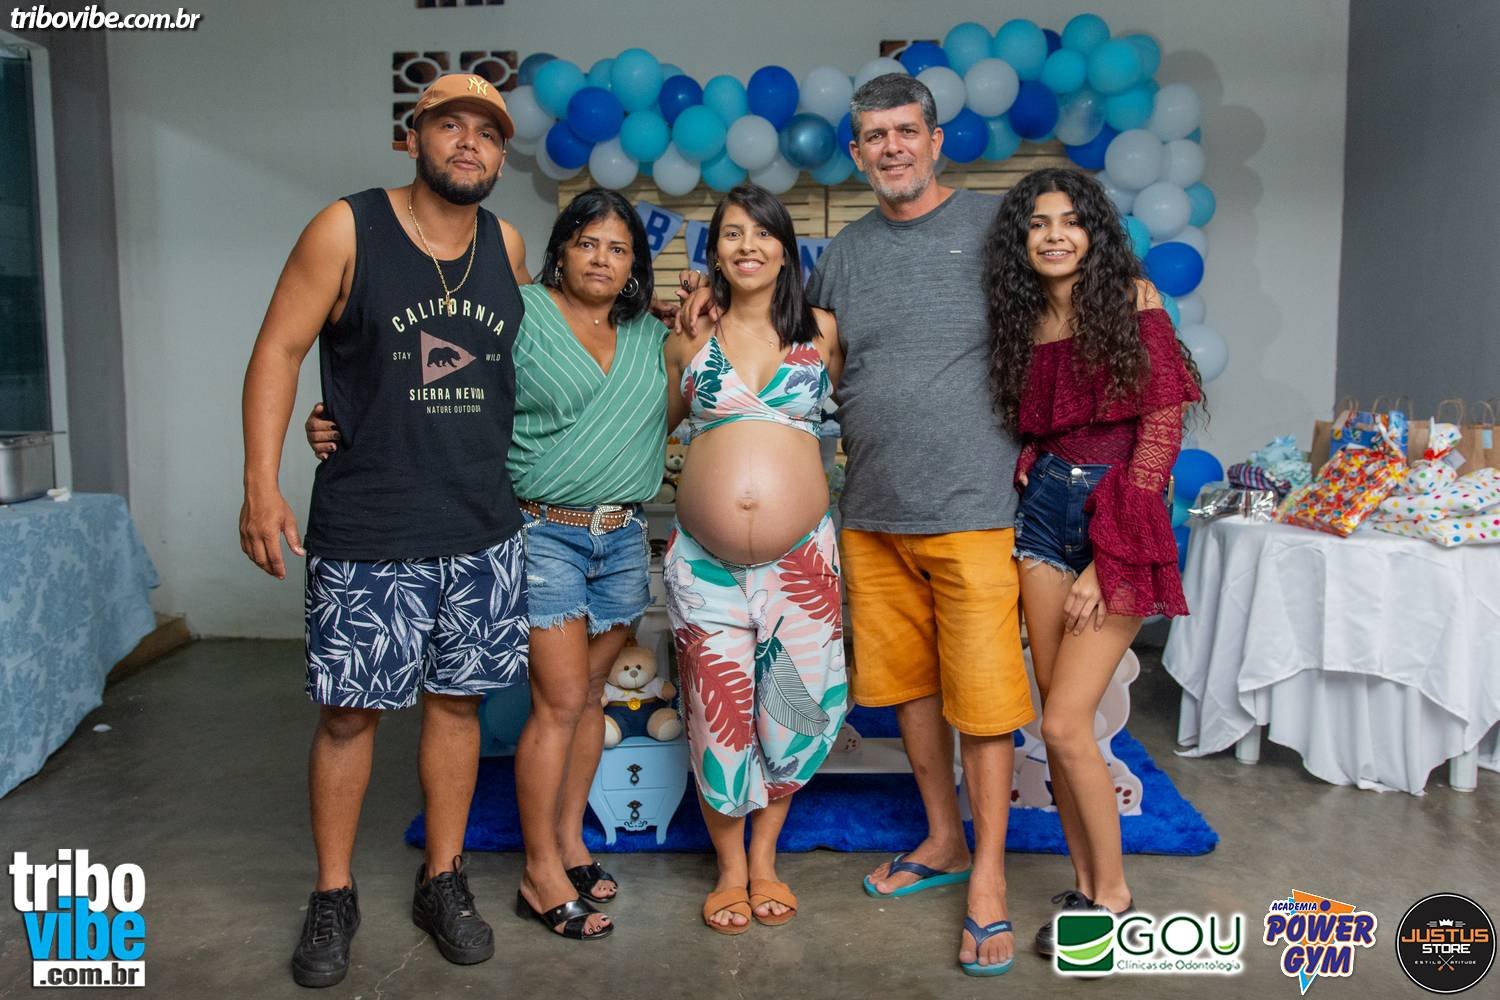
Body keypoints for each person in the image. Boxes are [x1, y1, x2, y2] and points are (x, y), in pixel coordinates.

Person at [678, 74, 1032, 975]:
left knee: (984, 700)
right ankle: (942, 839)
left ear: (937, 139)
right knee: (909, 690)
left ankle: (989, 882)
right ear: (856, 151)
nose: (892, 148)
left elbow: (1073, 284)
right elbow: (784, 337)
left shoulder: (995, 224)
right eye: (875, 136)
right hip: (872, 513)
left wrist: (1134, 298)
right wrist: (693, 300)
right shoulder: (842, 258)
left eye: (907, 131)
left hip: (972, 506)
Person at [308, 187, 668, 942]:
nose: (601, 259)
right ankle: (540, 873)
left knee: (589, 697)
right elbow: (436, 371)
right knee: (560, 699)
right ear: (559, 250)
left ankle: (569, 843)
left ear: (637, 263)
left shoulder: (651, 332)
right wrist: (343, 417)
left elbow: (674, 400)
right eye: (587, 243)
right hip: (543, 530)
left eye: (618, 248)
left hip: (622, 539)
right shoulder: (520, 309)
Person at [238, 73, 530, 988]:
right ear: (414, 137)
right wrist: (261, 484)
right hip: (370, 523)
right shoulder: (346, 228)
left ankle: (442, 880)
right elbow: (279, 349)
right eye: (451, 124)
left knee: (458, 706)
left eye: (487, 131)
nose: (470, 142)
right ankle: (333, 893)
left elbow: (528, 365)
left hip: (482, 523)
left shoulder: (507, 244)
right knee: (347, 715)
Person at [982, 167, 1202, 958]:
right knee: (1057, 724)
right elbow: (1046, 423)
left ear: (1094, 232)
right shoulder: (1024, 320)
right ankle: (1085, 881)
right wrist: (1031, 460)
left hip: (1118, 517)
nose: (1054, 235)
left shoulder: (1134, 301)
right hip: (1043, 516)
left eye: (1070, 221)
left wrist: (1108, 563)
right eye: (1038, 223)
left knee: (1068, 723)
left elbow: (1161, 432)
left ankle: (1112, 900)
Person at [664, 183, 848, 935]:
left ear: (784, 249)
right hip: (704, 565)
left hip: (801, 565)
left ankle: (766, 860)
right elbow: (647, 426)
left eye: (762, 233)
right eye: (732, 233)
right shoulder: (688, 337)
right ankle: (730, 870)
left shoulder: (822, 331)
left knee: (788, 715)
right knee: (719, 718)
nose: (748, 246)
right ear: (714, 251)